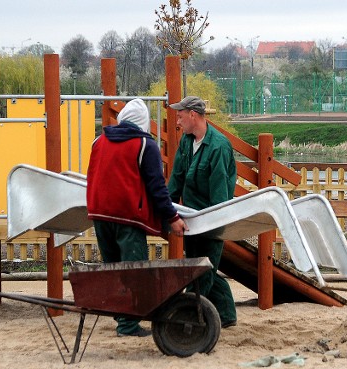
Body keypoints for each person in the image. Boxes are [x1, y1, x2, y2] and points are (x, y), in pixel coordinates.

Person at [86, 98, 187, 337]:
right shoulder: (144, 144)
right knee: (135, 272)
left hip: (100, 214)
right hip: (128, 217)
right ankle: (128, 325)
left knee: (113, 269)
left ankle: (121, 316)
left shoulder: (99, 141)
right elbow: (156, 186)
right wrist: (172, 217)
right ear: (143, 123)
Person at [167, 96, 238, 328]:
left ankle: (187, 313)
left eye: (180, 115)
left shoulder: (218, 146)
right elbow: (177, 176)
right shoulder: (187, 141)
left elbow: (220, 190)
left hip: (211, 219)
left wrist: (216, 225)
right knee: (201, 267)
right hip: (191, 217)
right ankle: (227, 315)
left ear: (193, 115)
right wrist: (168, 210)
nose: (177, 120)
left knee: (203, 271)